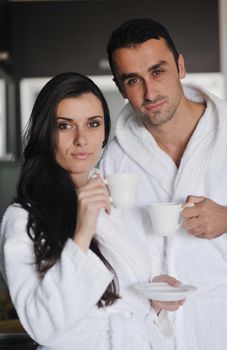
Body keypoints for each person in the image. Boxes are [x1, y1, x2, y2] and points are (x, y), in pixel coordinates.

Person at [0, 72, 183, 350]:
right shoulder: (24, 218)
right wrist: (83, 231)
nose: (81, 139)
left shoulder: (118, 201)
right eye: (64, 126)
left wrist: (152, 297)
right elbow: (42, 326)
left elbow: (124, 305)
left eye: (93, 124)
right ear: (45, 133)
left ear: (104, 133)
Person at [99, 18, 227, 350]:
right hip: (156, 334)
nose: (150, 92)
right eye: (133, 80)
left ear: (181, 66)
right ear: (120, 88)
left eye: (158, 71)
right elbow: (108, 252)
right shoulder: (114, 160)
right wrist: (141, 287)